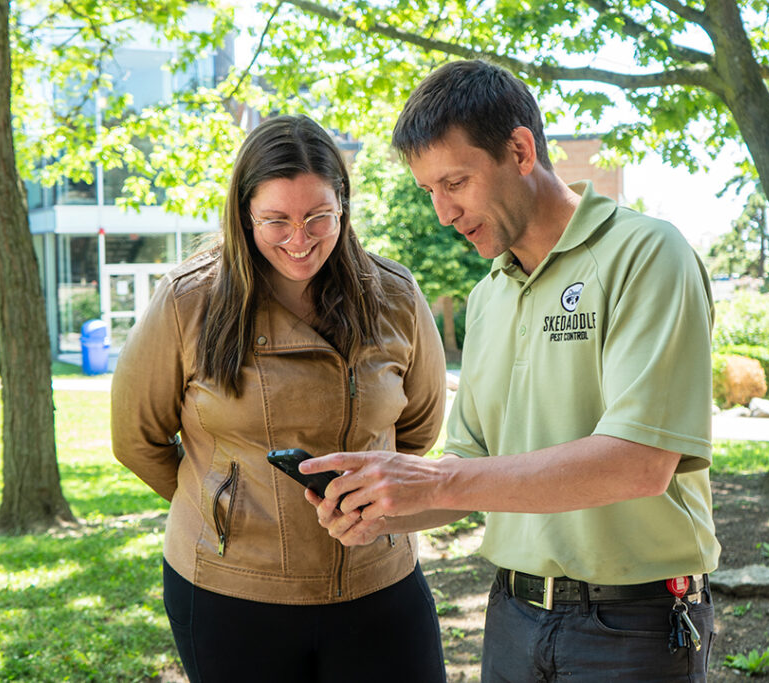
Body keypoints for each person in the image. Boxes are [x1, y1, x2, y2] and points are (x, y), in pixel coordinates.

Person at [300, 60, 721, 682]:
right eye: (430, 192)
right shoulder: (488, 298)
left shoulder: (647, 253)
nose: (444, 212)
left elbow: (641, 462)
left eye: (456, 182)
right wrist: (382, 509)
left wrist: (436, 483)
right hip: (513, 617)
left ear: (520, 150)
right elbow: (471, 473)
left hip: (633, 625)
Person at [111, 114, 449, 683]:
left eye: (319, 217)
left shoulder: (396, 297)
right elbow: (135, 438)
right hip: (230, 592)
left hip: (380, 579)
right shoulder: (187, 301)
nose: (300, 240)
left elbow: (417, 430)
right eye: (277, 220)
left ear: (343, 203)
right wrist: (223, 505)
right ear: (245, 214)